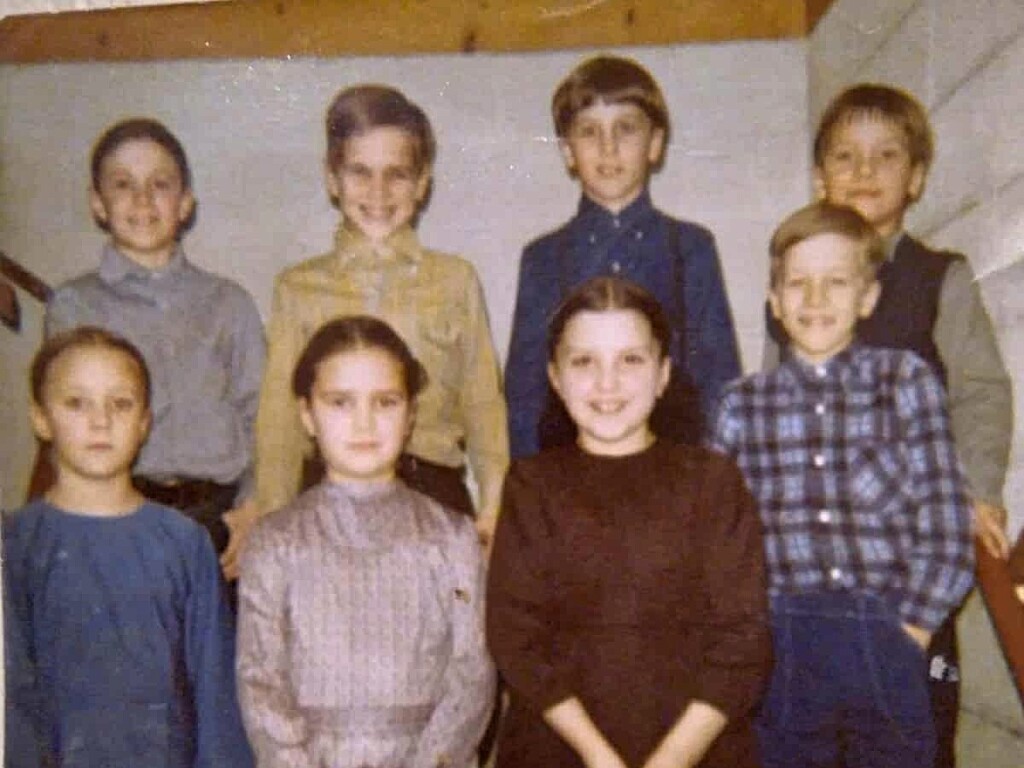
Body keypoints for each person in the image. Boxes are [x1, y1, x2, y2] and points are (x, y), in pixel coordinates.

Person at [761, 84, 1013, 767]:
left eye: (885, 156)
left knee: (918, 717)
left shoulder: (940, 278)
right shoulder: (794, 285)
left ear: (918, 178)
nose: (865, 171)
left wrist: (977, 488)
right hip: (815, 561)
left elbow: (981, 392)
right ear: (820, 178)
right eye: (846, 156)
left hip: (910, 551)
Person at [712, 202, 975, 767]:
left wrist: (911, 631)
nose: (814, 300)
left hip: (886, 630)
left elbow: (947, 522)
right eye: (797, 284)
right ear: (774, 302)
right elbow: (717, 538)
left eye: (836, 282)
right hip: (781, 641)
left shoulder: (904, 380)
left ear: (867, 297)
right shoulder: (740, 405)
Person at [488, 276, 771, 768]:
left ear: (663, 374)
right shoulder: (530, 486)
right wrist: (599, 758)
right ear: (555, 377)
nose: (607, 383)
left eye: (631, 360)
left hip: (697, 751)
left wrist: (672, 760)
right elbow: (517, 639)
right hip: (561, 751)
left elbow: (744, 642)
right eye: (584, 361)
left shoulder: (713, 483)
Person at [237, 315, 495, 768]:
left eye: (385, 402)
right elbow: (261, 681)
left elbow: (472, 672)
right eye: (340, 402)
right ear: (307, 415)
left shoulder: (451, 537)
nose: (364, 422)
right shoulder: (276, 542)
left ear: (411, 413)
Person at [254, 84, 507, 544]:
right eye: (359, 173)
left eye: (397, 175)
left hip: (432, 488)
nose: (378, 191)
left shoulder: (455, 280)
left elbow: (483, 404)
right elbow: (280, 423)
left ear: (422, 181)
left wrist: (494, 504)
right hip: (329, 490)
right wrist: (272, 517)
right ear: (332, 178)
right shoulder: (299, 288)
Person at [4, 326, 252, 768]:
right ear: (41, 418)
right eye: (76, 403)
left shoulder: (183, 542)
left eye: (121, 404)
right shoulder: (18, 543)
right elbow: (11, 697)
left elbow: (216, 695)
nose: (101, 421)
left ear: (144, 423)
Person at [45, 117, 265, 586]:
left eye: (159, 185)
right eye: (123, 185)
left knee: (217, 655)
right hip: (118, 513)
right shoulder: (74, 305)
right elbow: (66, 428)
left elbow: (263, 416)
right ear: (97, 204)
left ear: (185, 203)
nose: (143, 200)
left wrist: (255, 508)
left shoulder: (229, 303)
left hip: (219, 519)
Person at [504, 54, 741, 459]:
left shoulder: (690, 247)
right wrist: (530, 482)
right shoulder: (543, 258)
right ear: (566, 151)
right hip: (571, 473)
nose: (608, 148)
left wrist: (712, 479)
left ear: (655, 144)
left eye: (626, 130)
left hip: (674, 468)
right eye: (589, 132)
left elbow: (719, 383)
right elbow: (525, 393)